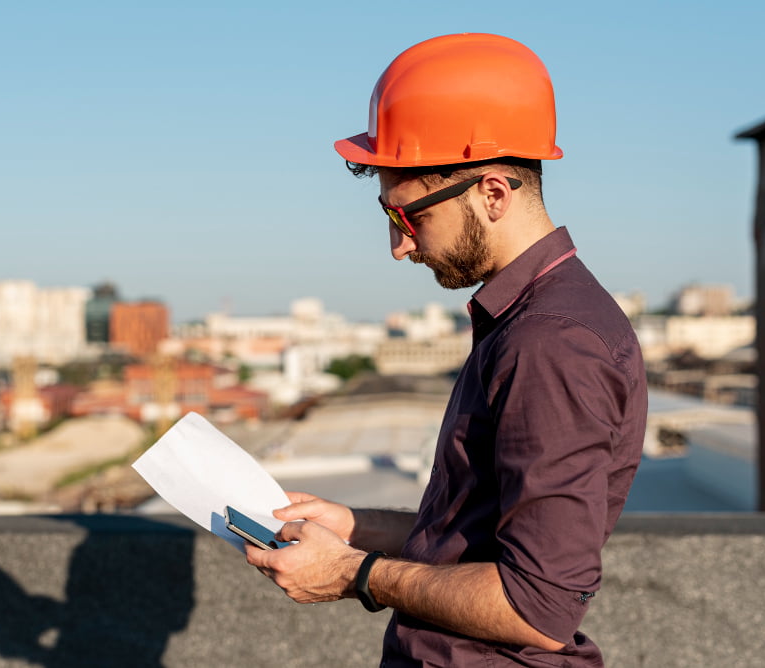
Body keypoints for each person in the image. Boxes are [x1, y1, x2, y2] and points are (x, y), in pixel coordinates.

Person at [245, 33, 648, 667]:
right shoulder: (525, 318)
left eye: (408, 218)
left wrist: (355, 572)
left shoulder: (552, 342)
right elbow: (478, 539)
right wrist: (354, 527)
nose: (399, 247)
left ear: (492, 194)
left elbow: (536, 606)